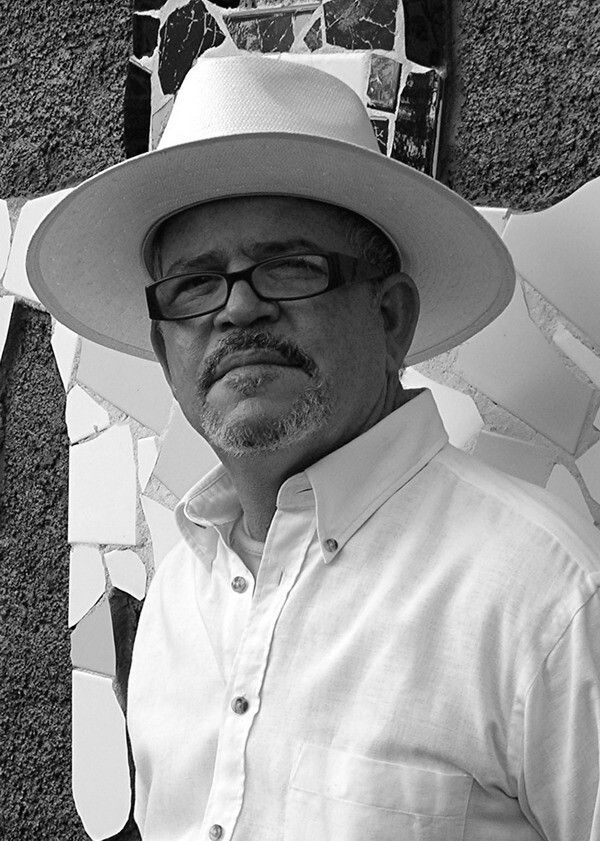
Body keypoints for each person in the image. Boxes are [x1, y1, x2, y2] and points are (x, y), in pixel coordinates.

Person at [28, 56, 600, 841]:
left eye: (289, 267)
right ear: (165, 353)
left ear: (391, 317)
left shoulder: (544, 597)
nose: (237, 311)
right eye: (195, 285)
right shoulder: (176, 600)